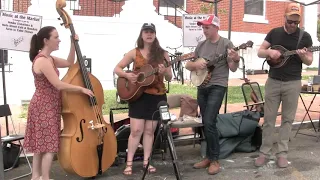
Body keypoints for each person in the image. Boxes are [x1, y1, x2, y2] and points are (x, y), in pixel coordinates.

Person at [23, 26, 94, 180]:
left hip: (49, 105)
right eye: (56, 37)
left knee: (41, 146)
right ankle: (44, 178)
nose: (58, 39)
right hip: (44, 106)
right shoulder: (42, 61)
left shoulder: (50, 59)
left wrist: (72, 44)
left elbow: (69, 62)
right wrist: (81, 89)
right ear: (46, 41)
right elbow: (58, 85)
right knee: (48, 146)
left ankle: (36, 177)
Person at [254, 3, 313, 168]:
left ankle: (282, 154)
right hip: (273, 81)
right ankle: (264, 152)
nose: (293, 25)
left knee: (287, 120)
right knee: (269, 120)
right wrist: (269, 52)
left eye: (296, 22)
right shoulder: (274, 33)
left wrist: (302, 56)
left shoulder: (305, 37)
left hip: (293, 83)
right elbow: (260, 51)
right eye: (290, 21)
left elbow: (309, 60)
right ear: (284, 18)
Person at [113, 23, 172, 176]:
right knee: (135, 130)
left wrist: (164, 70)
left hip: (156, 96)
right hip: (137, 95)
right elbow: (117, 68)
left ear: (155, 34)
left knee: (149, 131)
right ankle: (129, 163)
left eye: (151, 32)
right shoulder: (134, 52)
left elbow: (169, 77)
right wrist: (127, 75)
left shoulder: (163, 54)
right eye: (146, 31)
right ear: (141, 34)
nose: (149, 34)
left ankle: (147, 161)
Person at [185, 15, 240, 175]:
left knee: (209, 120)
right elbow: (189, 64)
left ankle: (215, 160)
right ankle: (209, 157)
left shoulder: (226, 44)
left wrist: (235, 59)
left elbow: (233, 67)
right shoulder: (201, 45)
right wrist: (196, 64)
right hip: (202, 86)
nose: (204, 30)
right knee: (206, 122)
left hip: (218, 85)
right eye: (203, 27)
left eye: (207, 27)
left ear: (216, 27)